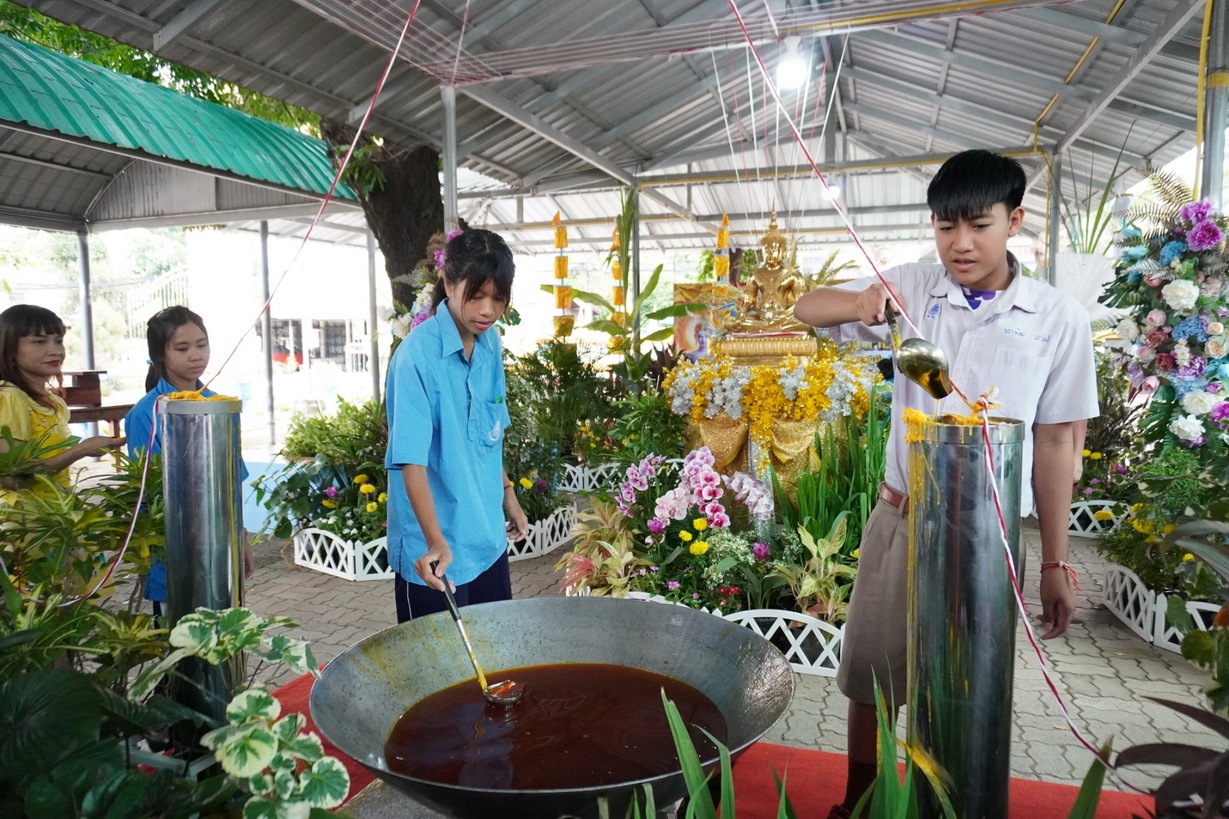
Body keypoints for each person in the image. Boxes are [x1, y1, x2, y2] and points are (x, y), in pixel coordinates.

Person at [793, 149, 1098, 818]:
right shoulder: (911, 288)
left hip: (990, 532)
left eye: (978, 225)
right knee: (872, 676)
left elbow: (1054, 443)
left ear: (1015, 220)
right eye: (944, 226)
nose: (960, 243)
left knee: (968, 685)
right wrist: (860, 301)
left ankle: (955, 802)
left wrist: (1054, 562)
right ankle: (861, 802)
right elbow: (804, 307)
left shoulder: (1057, 319)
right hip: (901, 517)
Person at [385, 228, 529, 623]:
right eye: (477, 295)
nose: (488, 310)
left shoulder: (490, 344)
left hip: (487, 541)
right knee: (438, 659)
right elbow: (411, 461)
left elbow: (489, 436)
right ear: (448, 284)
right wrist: (435, 543)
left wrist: (509, 496)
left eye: (498, 298)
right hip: (436, 555)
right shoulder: (415, 358)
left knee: (495, 651)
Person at [124, 306, 253, 616]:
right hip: (173, 550)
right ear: (160, 355)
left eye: (201, 345)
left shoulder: (219, 405)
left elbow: (231, 483)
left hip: (220, 548)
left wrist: (240, 538)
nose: (196, 355)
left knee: (225, 631)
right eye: (182, 348)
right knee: (179, 635)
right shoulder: (146, 414)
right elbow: (150, 494)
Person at [0, 304, 124, 490]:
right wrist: (80, 450)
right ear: (9, 348)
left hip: (58, 508)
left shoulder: (53, 401)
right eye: (39, 342)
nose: (56, 350)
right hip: (24, 510)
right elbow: (10, 479)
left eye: (58, 341)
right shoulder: (9, 398)